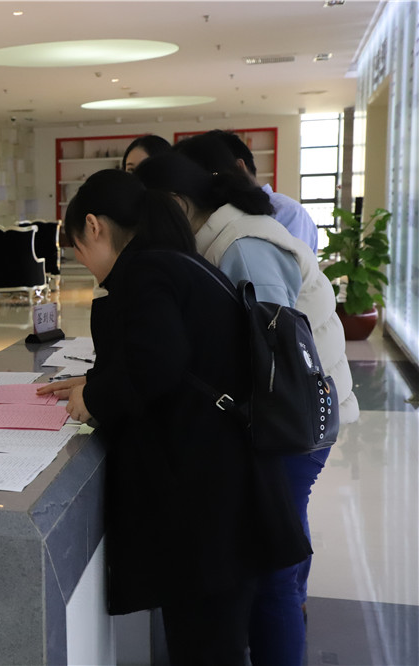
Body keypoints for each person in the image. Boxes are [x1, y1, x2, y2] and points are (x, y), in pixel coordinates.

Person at [37, 169, 307, 665]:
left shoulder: (147, 271)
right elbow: (173, 359)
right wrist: (93, 382)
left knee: (207, 647)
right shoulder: (174, 262)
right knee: (212, 641)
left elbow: (158, 364)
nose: (82, 261)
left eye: (76, 246)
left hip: (209, 503)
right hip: (224, 491)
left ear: (94, 226)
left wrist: (94, 399)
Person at [135, 149, 358, 666]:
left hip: (290, 425)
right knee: (272, 559)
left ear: (175, 203)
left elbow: (274, 352)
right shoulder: (219, 236)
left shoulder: (242, 244)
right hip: (282, 419)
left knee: (271, 571)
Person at [201, 129, 319, 252]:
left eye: (214, 174)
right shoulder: (220, 214)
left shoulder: (287, 211)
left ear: (239, 167)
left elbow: (290, 263)